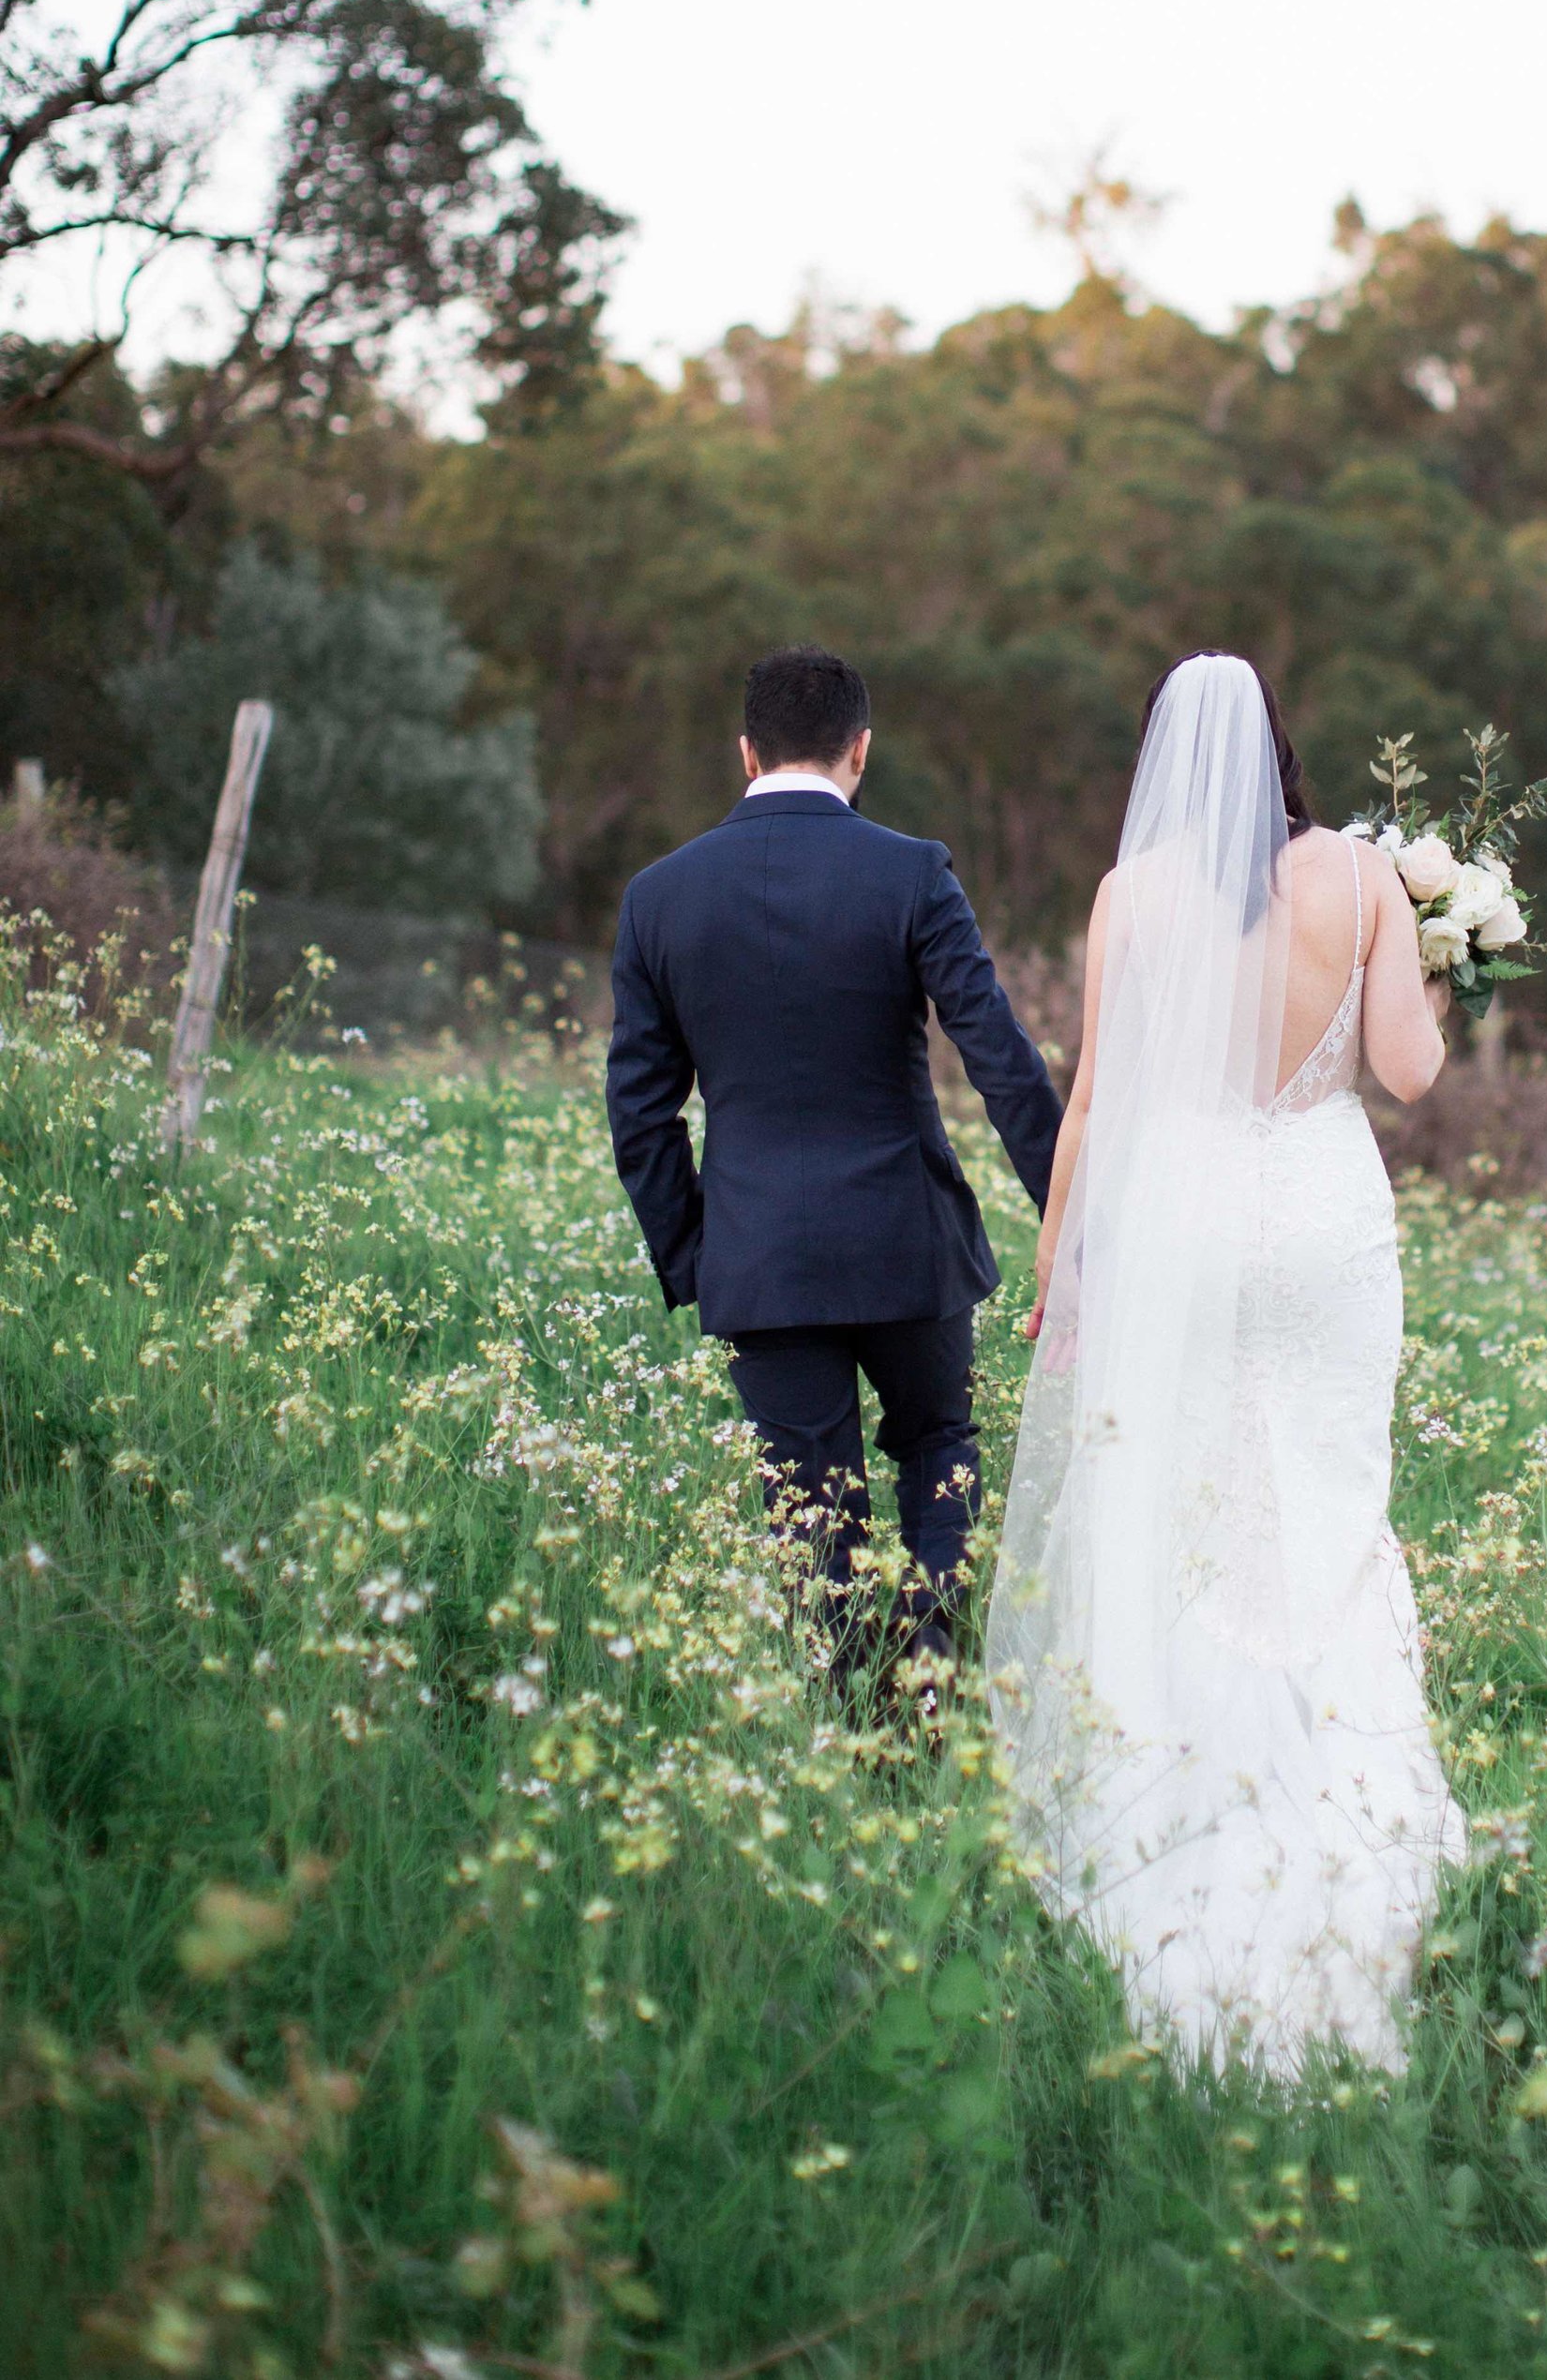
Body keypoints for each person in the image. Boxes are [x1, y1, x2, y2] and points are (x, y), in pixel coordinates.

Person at [987, 651, 1464, 2077]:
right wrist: (1435, 966)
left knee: (1186, 1498)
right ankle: (1353, 1799)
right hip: (1320, 1214)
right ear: (1280, 748)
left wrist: (1059, 1268)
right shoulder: (1362, 879)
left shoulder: (1132, 897)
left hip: (1183, 1216)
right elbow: (1410, 1073)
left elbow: (1093, 1102)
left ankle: (1183, 1806)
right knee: (1323, 1493)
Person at [606, 644, 1061, 1684]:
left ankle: (857, 1717)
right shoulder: (912, 872)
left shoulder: (658, 895)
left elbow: (639, 1111)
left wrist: (700, 1255)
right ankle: (934, 1665)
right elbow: (998, 1057)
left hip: (759, 1255)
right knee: (939, 1442)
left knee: (811, 1506)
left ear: (746, 751)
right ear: (861, 749)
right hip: (908, 1239)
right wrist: (1066, 1217)